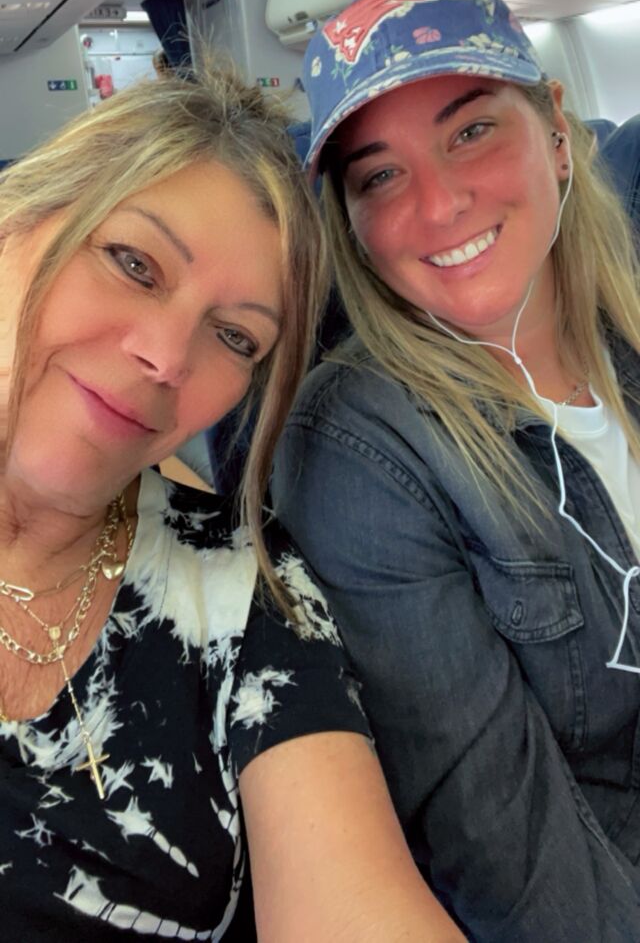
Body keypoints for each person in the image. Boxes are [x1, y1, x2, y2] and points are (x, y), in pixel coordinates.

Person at [0, 59, 463, 942]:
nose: (168, 357)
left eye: (234, 336)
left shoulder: (246, 587)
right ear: (16, 221)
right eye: (134, 264)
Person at [272, 0, 640, 941]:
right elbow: (512, 856)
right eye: (380, 175)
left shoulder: (628, 334)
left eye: (471, 130)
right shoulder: (360, 451)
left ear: (555, 128)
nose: (438, 205)